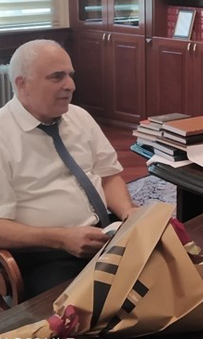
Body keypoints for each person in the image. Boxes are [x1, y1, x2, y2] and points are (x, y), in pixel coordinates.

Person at [0, 40, 138, 299]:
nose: (71, 85)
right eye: (57, 77)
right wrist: (61, 239)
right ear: (22, 84)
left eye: (70, 75)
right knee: (89, 308)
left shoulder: (79, 117)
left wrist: (127, 211)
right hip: (45, 255)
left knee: (166, 274)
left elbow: (109, 176)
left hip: (104, 232)